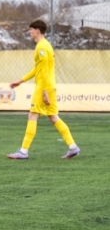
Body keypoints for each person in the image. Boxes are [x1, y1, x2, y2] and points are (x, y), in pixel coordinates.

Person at [7, 20, 80, 160]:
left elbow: (45, 71)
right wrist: (20, 81)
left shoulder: (42, 47)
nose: (29, 32)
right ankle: (73, 147)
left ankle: (23, 151)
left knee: (32, 115)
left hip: (44, 87)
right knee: (53, 117)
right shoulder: (44, 46)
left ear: (37, 31)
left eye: (31, 29)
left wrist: (45, 92)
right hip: (49, 86)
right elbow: (38, 69)